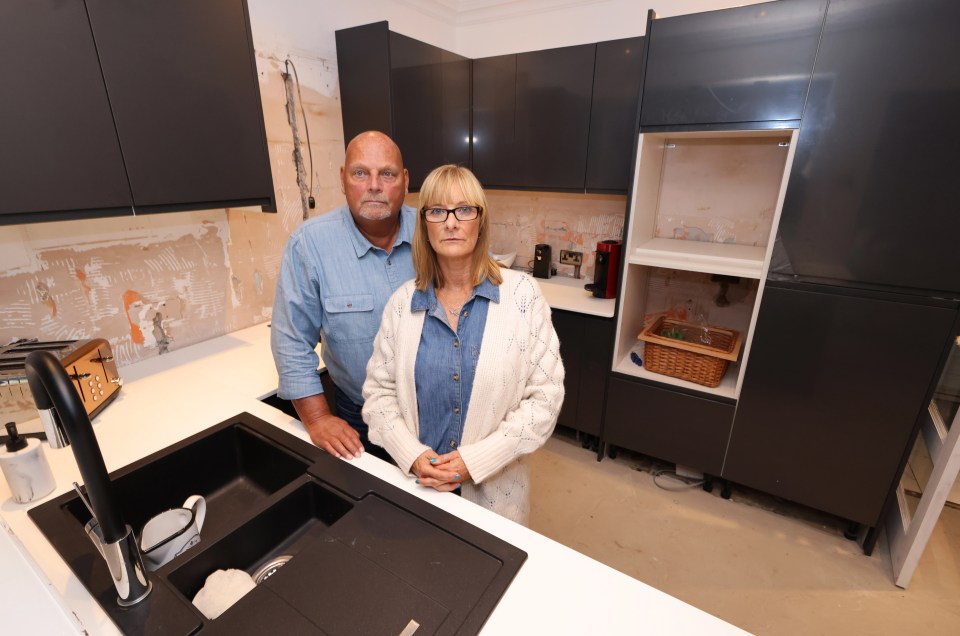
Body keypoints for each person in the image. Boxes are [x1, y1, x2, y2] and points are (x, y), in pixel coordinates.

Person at [362, 164, 564, 524]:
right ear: (425, 225)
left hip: (495, 502)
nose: (451, 222)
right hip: (417, 487)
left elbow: (545, 400)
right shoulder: (401, 304)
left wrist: (476, 461)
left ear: (480, 222)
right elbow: (379, 395)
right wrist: (411, 455)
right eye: (438, 211)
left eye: (464, 210)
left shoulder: (523, 296)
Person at [271, 131, 416, 461]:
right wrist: (319, 419)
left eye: (387, 174)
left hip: (441, 416)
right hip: (362, 418)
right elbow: (291, 340)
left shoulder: (435, 231)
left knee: (450, 508)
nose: (374, 185)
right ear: (343, 178)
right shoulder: (309, 246)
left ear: (405, 181)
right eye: (361, 173)